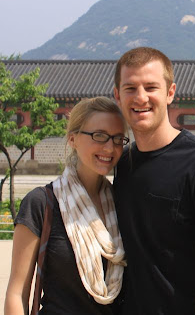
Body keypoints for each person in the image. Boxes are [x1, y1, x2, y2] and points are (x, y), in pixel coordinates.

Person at [112, 47, 195, 314]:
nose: (141, 97)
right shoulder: (123, 164)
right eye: (130, 88)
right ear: (117, 95)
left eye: (151, 87)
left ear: (170, 93)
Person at [5, 97, 127, 314]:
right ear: (73, 139)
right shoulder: (42, 203)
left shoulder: (123, 202)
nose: (110, 147)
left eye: (118, 139)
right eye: (99, 136)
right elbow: (16, 293)